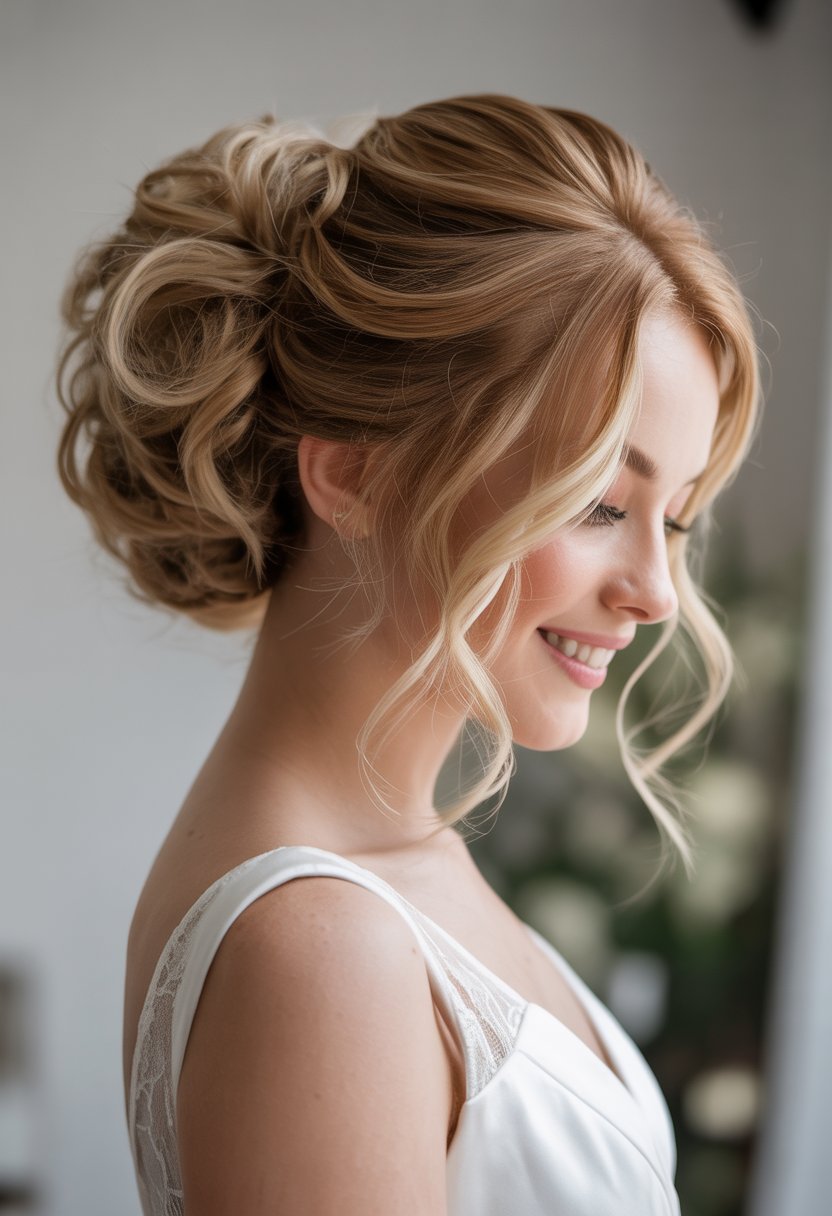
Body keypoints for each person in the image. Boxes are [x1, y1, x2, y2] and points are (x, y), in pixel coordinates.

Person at [55, 93, 761, 1215]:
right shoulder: (323, 951)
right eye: (593, 502)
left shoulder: (384, 863)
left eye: (669, 517)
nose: (655, 592)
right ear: (352, 473)